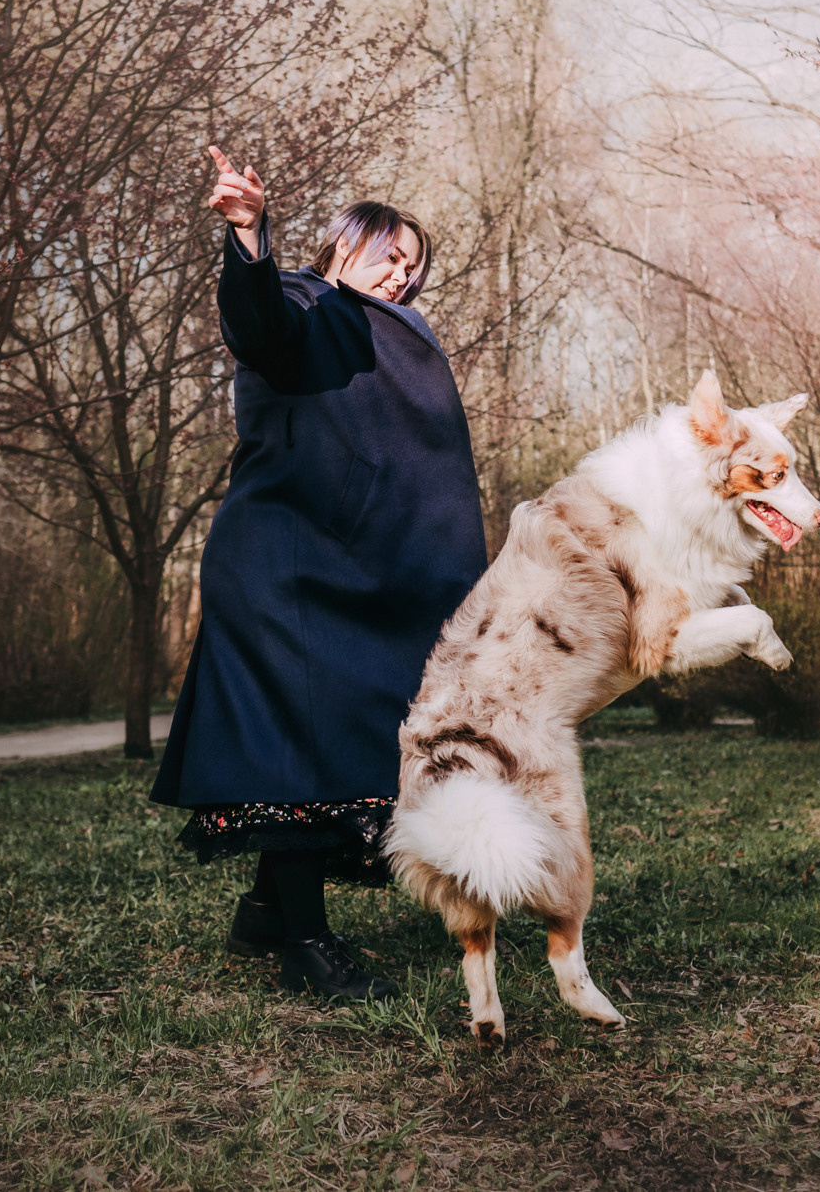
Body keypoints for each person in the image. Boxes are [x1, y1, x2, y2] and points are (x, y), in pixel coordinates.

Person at [151, 146, 488, 1002]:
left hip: (362, 580)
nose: (404, 276)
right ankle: (305, 941)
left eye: (416, 267)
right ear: (345, 245)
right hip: (284, 570)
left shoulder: (397, 335)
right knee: (295, 746)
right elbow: (258, 324)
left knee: (342, 742)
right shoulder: (301, 301)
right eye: (390, 254)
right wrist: (250, 233)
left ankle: (267, 909)